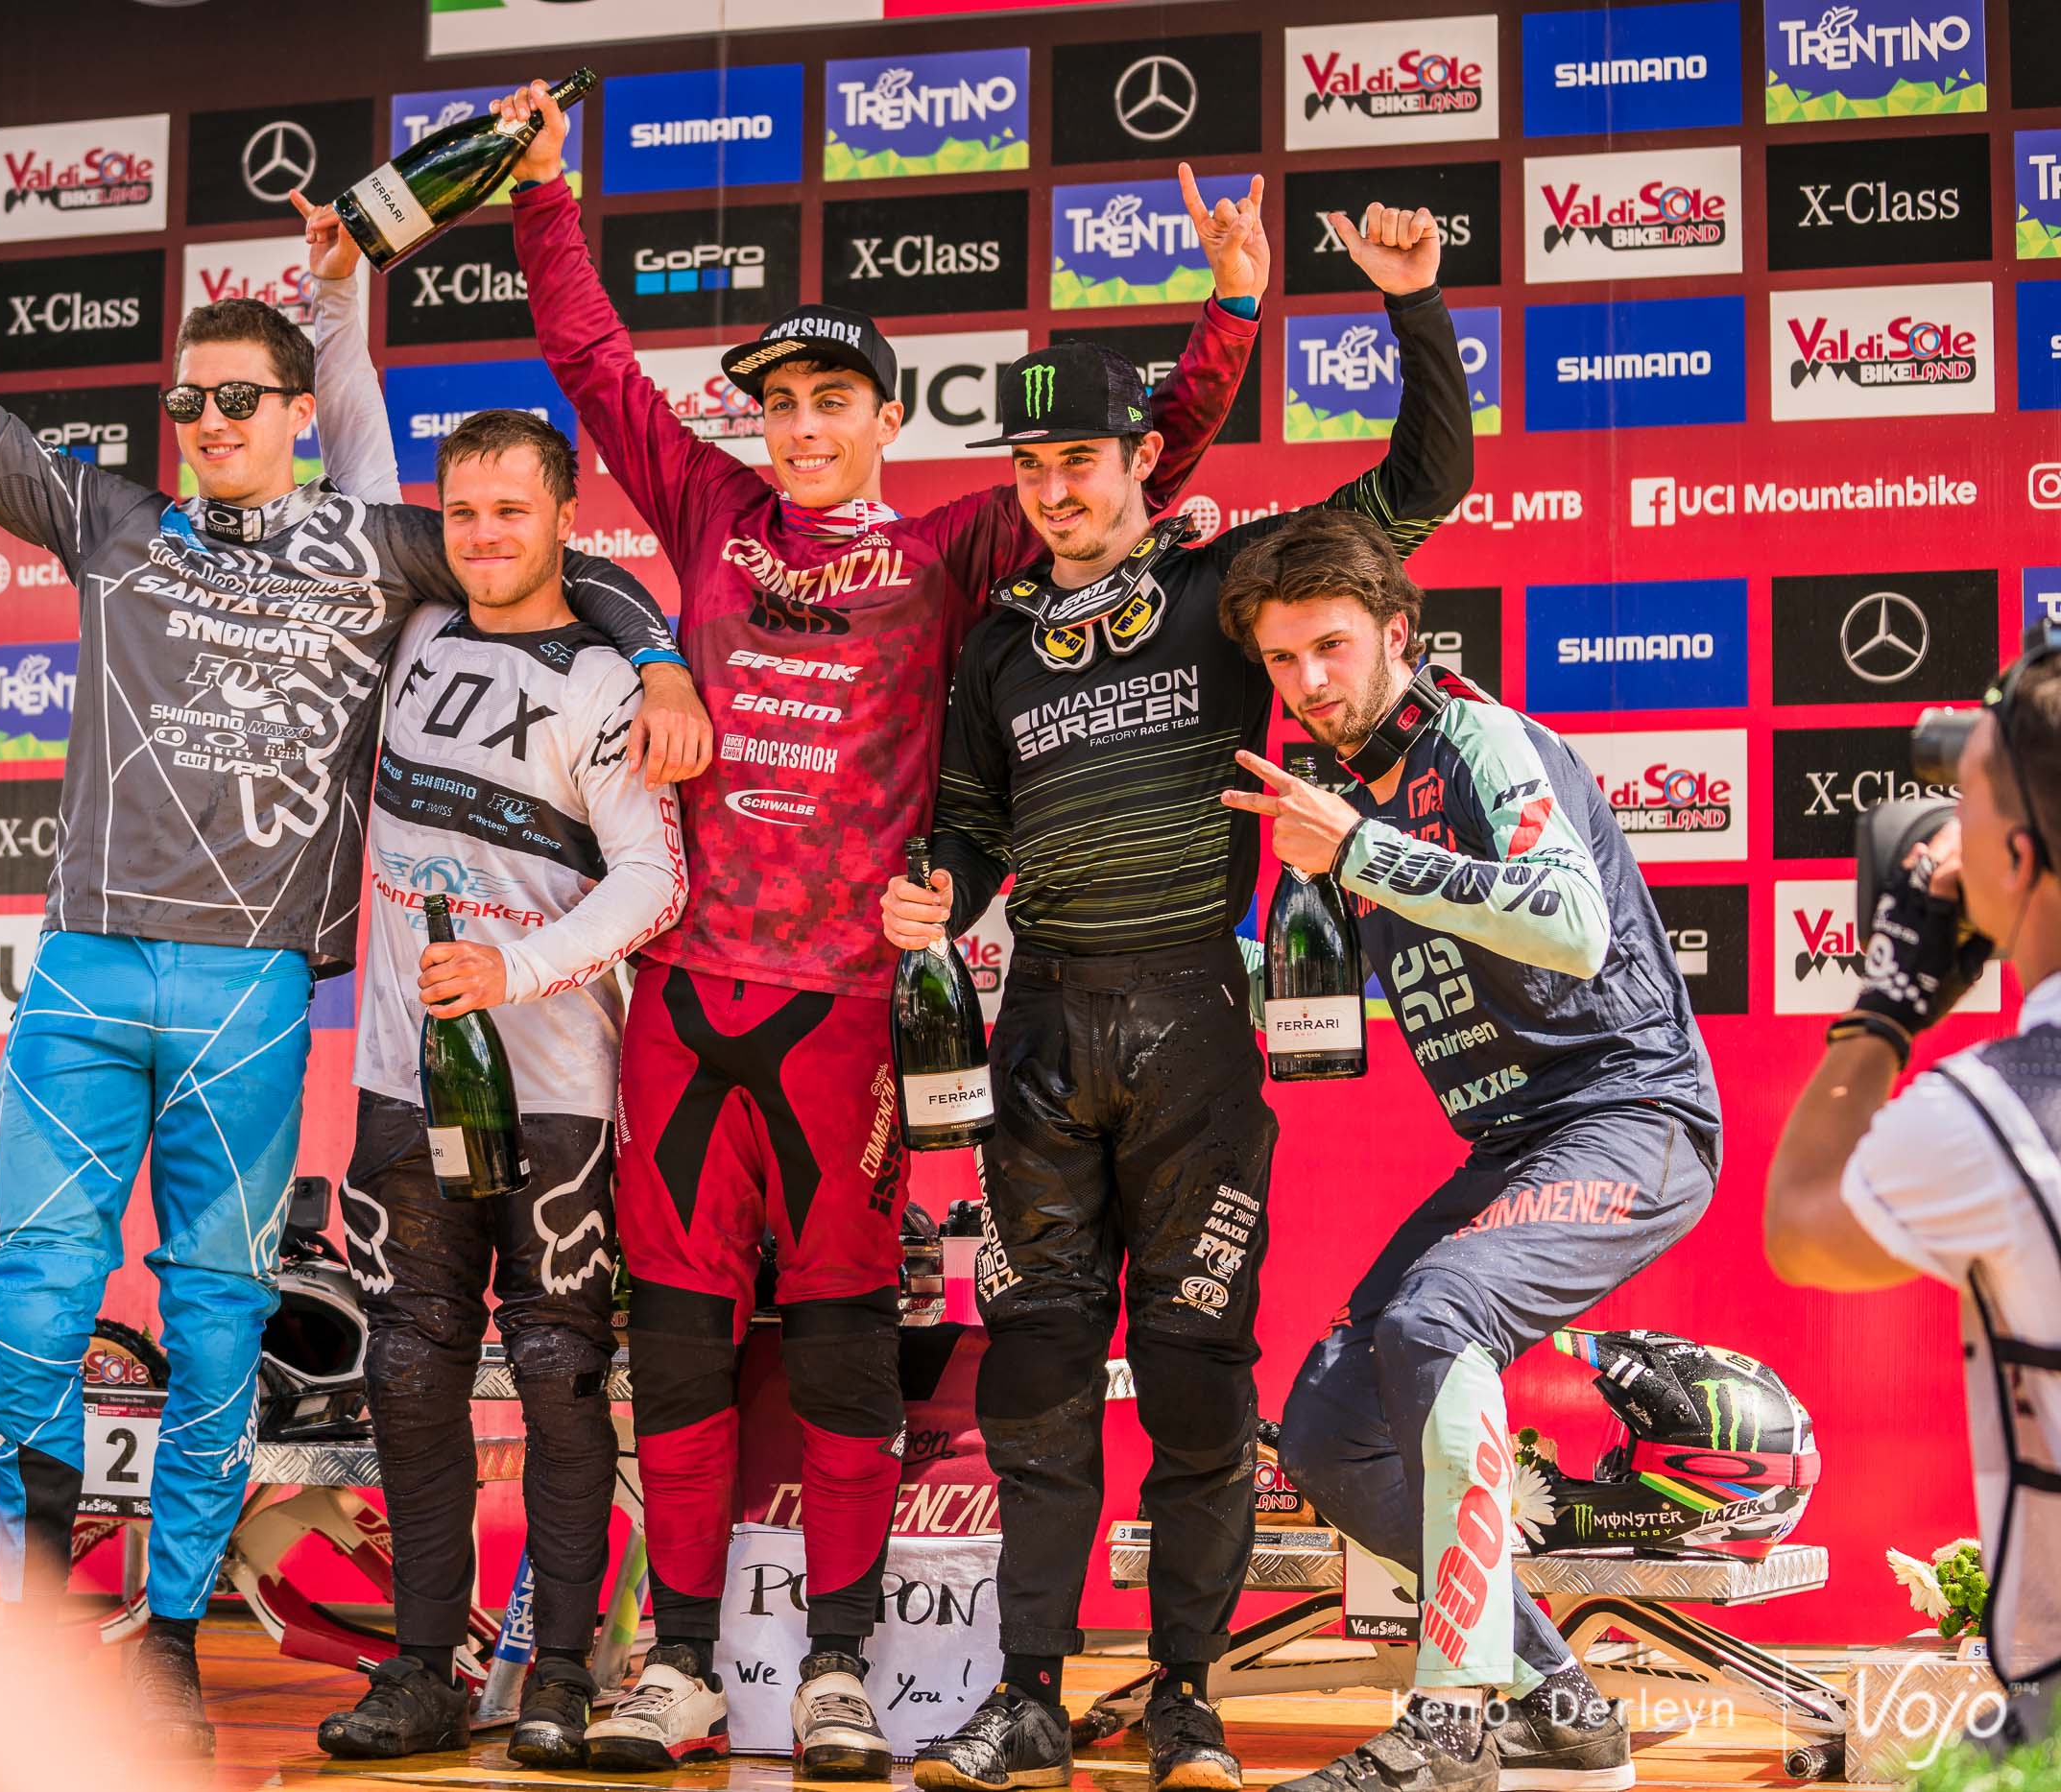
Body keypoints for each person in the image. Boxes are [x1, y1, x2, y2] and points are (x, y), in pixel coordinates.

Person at [0, 123, 705, 1757]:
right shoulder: (113, 522)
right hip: (84, 968)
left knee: (217, 1315)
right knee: (35, 1300)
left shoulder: (380, 548)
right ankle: (30, 1620)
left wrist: (654, 660)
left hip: (250, 990)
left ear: (297, 414)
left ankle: (169, 1634)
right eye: (188, 402)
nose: (210, 423)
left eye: (241, 399)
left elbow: (546, 561)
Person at [495, 76, 1264, 1778]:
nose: (801, 427)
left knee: (845, 1342)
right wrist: (546, 194)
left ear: (885, 418)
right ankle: (678, 1664)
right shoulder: (708, 514)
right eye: (780, 402)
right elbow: (596, 371)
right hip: (687, 990)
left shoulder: (948, 550)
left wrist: (1230, 310)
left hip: (849, 1003)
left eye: (831, 401)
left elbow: (1140, 461)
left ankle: (838, 1664)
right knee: (677, 1345)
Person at [885, 204, 1467, 1792]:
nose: (1053, 490)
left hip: (1198, 1019)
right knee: (1035, 1373)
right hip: (1041, 1029)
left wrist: (1414, 307)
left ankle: (1188, 1700)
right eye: (1028, 467)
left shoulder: (1230, 587)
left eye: (1078, 459)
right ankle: (1023, 1696)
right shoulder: (998, 642)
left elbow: (1421, 489)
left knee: (1201, 1369)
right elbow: (971, 826)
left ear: (1143, 457)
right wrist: (937, 887)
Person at [1204, 507, 1721, 1786]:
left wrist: (1362, 851)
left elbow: (1571, 923)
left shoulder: (1480, 739)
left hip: (1633, 1115)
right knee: (1328, 1429)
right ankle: (1560, 1698)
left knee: (1436, 1318)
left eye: (1330, 645)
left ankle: (1451, 1722)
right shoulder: (1350, 802)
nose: (1307, 681)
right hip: (1512, 1144)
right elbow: (1319, 1003)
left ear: (1397, 631)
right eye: (1282, 660)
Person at [308, 397, 687, 1763]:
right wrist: (337, 304)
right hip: (403, 1077)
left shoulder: (610, 682)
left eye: (510, 511)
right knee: (410, 1365)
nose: (480, 535)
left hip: (557, 1080)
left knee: (556, 1365)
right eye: (462, 511)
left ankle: (562, 1675)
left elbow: (655, 877)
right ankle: (425, 1667)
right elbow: (356, 467)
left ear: (565, 519)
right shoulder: (412, 627)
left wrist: (517, 970)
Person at [1763, 634, 2059, 1743]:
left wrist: (1885, 1004)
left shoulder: (1992, 1113)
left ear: (2016, 860)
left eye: (1964, 806)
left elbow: (1800, 1224)